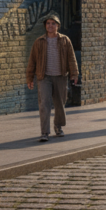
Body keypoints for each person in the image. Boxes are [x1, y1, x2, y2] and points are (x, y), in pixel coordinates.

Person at [26, 13, 78, 142]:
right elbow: (32, 61)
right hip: (44, 77)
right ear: (45, 26)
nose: (50, 26)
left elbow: (72, 58)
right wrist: (29, 78)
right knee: (44, 104)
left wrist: (75, 73)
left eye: (53, 23)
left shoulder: (65, 40)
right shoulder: (39, 42)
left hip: (60, 76)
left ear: (58, 26)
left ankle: (58, 126)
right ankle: (44, 132)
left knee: (60, 104)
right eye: (48, 23)